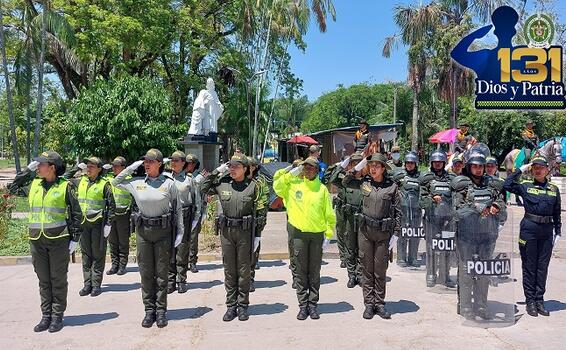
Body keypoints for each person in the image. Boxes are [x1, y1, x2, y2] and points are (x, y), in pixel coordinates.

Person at [7, 151, 83, 333]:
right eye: (37, 164)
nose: (38, 167)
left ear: (52, 168)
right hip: (37, 240)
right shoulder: (34, 184)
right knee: (43, 280)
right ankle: (45, 315)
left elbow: (76, 214)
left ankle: (57, 316)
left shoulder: (66, 186)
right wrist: (27, 170)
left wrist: (75, 239)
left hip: (58, 240)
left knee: (57, 279)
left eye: (41, 164)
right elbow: (13, 188)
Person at [112, 148, 184, 328]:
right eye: (145, 161)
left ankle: (161, 311)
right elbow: (116, 181)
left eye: (151, 161)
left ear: (160, 163)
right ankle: (149, 311)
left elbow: (178, 210)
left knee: (161, 274)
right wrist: (131, 167)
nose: (147, 164)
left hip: (163, 233)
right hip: (143, 233)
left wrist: (180, 232)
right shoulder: (136, 183)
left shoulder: (169, 183)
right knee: (146, 274)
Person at [201, 154, 265, 322]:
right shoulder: (222, 184)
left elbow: (260, 212)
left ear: (245, 169)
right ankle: (231, 306)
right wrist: (217, 170)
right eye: (230, 166)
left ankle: (243, 306)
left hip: (245, 232)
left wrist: (258, 234)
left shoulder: (253, 187)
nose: (232, 169)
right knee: (230, 271)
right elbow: (203, 187)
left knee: (244, 271)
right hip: (227, 232)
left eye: (236, 166)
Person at [273, 157, 335, 320]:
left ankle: (313, 305)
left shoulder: (322, 189)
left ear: (316, 171)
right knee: (300, 271)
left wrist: (328, 234)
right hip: (299, 234)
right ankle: (302, 305)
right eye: (305, 168)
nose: (307, 170)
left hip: (316, 235)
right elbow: (277, 184)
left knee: (314, 272)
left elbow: (329, 214)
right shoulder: (293, 185)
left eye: (311, 168)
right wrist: (291, 171)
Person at [343, 153, 401, 320]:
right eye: (371, 165)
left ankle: (380, 303)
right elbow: (345, 182)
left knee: (380, 270)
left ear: (383, 168)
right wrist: (357, 168)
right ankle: (369, 304)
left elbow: (398, 212)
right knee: (367, 270)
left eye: (377, 165)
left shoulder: (392, 187)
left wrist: (396, 233)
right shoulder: (364, 183)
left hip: (383, 234)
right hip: (366, 232)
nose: (373, 168)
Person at [504, 156, 561, 317]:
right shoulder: (525, 185)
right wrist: (521, 169)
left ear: (546, 169)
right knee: (529, 266)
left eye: (541, 167)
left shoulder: (553, 189)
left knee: (542, 267)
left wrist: (558, 231)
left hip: (546, 231)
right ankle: (530, 301)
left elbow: (557, 212)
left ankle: (539, 300)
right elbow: (507, 184)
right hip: (529, 229)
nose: (538, 170)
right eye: (535, 167)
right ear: (532, 169)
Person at [452, 153, 506, 320]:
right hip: (467, 236)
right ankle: (466, 305)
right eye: (475, 166)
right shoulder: (462, 185)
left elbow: (502, 203)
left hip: (487, 235)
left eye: (481, 166)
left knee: (483, 273)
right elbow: (456, 210)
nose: (478, 169)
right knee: (466, 272)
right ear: (469, 167)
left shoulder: (492, 185)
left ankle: (481, 305)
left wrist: (496, 205)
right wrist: (475, 208)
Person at [72, 157, 116, 297]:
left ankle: (96, 284)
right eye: (87, 166)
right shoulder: (81, 181)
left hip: (98, 223)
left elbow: (112, 205)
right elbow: (63, 178)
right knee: (86, 255)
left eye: (92, 166)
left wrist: (108, 223)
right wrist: (76, 168)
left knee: (97, 254)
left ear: (99, 169)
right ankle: (87, 284)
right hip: (83, 223)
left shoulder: (105, 184)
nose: (89, 168)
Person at [419, 150, 457, 288]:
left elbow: (457, 197)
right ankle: (431, 274)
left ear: (444, 163)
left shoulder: (452, 179)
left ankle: (445, 275)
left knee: (447, 247)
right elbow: (421, 200)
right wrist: (431, 199)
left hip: (447, 220)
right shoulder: (426, 178)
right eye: (435, 162)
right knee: (431, 247)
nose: (437, 164)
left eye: (440, 162)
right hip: (431, 219)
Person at [166, 151, 201, 294]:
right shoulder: (166, 178)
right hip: (169, 217)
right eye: (171, 160)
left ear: (183, 163)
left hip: (185, 217)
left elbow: (197, 202)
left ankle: (181, 280)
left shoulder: (189, 180)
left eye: (176, 160)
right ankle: (170, 280)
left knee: (182, 249)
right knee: (169, 249)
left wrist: (195, 220)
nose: (173, 163)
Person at [328, 152, 365, 287]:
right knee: (350, 248)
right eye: (354, 163)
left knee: (361, 249)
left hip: (362, 220)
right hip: (349, 219)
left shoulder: (366, 181)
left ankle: (359, 274)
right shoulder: (345, 181)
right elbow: (331, 178)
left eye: (359, 163)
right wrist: (342, 165)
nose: (356, 166)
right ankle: (351, 275)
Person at [105, 157, 133, 276]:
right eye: (113, 166)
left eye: (117, 166)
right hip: (111, 214)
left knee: (123, 241)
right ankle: (114, 265)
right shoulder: (108, 179)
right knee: (112, 241)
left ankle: (122, 265)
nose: (114, 168)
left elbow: (133, 198)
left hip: (123, 214)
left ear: (123, 167)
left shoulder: (129, 180)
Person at [393, 152, 422, 267]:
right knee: (402, 234)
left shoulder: (420, 176)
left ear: (416, 164)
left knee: (415, 235)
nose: (410, 165)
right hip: (403, 210)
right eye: (408, 163)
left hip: (416, 210)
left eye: (412, 163)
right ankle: (401, 258)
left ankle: (413, 257)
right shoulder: (399, 174)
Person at [247, 156, 269, 292]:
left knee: (252, 251)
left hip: (254, 220)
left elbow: (263, 202)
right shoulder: (237, 179)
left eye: (248, 165)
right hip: (238, 221)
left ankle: (250, 279)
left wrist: (260, 222)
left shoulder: (260, 181)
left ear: (254, 167)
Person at [185, 154, 206, 273]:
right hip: (183, 212)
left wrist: (204, 211)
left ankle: (192, 261)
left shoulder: (199, 177)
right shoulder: (181, 176)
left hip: (195, 213)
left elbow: (203, 194)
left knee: (193, 240)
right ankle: (181, 261)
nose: (188, 165)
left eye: (190, 163)